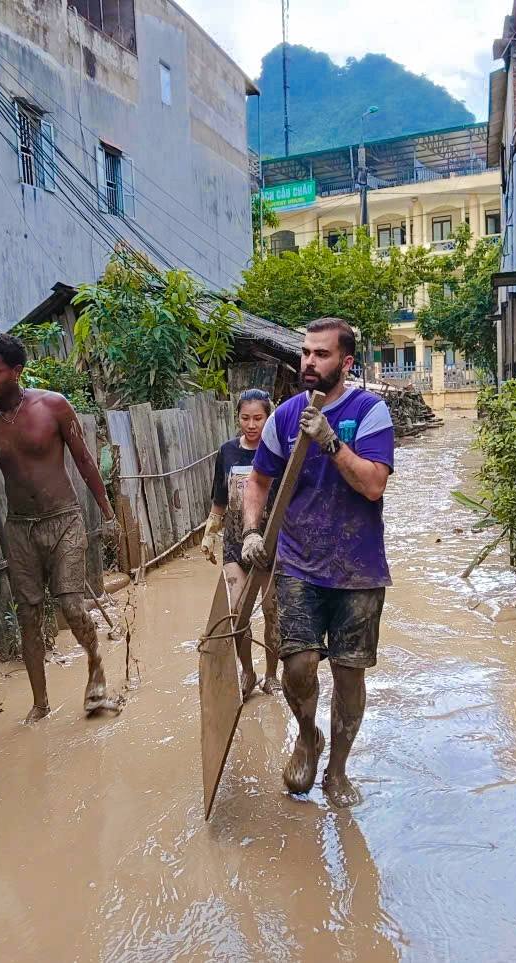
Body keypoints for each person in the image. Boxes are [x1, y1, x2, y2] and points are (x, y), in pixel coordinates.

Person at [240, 317, 394, 807]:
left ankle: (339, 770)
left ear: (345, 362)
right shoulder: (283, 417)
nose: (309, 361)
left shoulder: (371, 413)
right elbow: (258, 482)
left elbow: (373, 484)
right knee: (299, 666)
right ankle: (308, 735)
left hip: (358, 566)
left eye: (322, 354)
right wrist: (250, 531)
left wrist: (330, 442)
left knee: (350, 673)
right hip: (298, 563)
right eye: (306, 353)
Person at [0, 333, 118, 724]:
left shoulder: (53, 406)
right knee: (29, 616)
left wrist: (107, 512)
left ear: (17, 371)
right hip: (20, 529)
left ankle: (95, 662)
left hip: (64, 519)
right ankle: (40, 704)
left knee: (70, 605)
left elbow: (85, 461)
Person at [199, 388, 281, 698]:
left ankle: (272, 675)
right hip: (235, 542)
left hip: (271, 544)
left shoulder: (277, 453)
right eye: (245, 418)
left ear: (268, 418)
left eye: (258, 418)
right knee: (237, 611)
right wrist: (210, 534)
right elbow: (220, 500)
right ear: (237, 419)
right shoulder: (227, 452)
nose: (251, 424)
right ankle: (247, 672)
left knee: (273, 610)